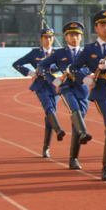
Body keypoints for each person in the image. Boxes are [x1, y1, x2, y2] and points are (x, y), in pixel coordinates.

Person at [70, 10, 106, 182]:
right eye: (102, 25)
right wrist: (85, 79)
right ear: (96, 28)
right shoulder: (89, 49)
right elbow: (73, 68)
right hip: (101, 90)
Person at [38, 22, 92, 170]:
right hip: (67, 87)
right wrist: (53, 80)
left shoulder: (86, 52)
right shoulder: (59, 53)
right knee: (74, 109)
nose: (74, 38)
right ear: (66, 37)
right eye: (71, 35)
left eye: (77, 35)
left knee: (78, 122)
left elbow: (92, 68)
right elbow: (42, 66)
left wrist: (81, 72)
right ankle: (84, 132)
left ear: (81, 37)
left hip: (82, 88)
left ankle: (74, 158)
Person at [13, 28, 66, 158]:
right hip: (41, 85)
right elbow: (17, 64)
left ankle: (46, 147)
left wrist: (48, 67)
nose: (48, 40)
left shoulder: (57, 53)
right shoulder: (35, 53)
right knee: (48, 107)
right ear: (41, 38)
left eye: (50, 37)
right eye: (46, 37)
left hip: (53, 84)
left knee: (50, 115)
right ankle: (58, 129)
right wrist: (31, 73)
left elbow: (63, 66)